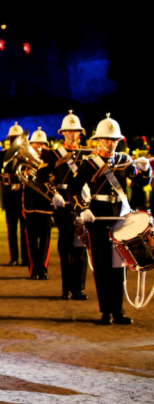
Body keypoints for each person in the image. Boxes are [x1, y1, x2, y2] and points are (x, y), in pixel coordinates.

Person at [67, 114, 152, 325]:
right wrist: (82, 209)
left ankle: (118, 310)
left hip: (120, 221)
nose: (110, 143)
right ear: (98, 140)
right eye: (106, 139)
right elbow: (72, 190)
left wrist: (146, 170)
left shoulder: (124, 161)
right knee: (102, 267)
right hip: (97, 221)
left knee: (118, 268)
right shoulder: (88, 164)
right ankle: (105, 310)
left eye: (114, 139)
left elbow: (140, 182)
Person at [35, 111, 90, 299]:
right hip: (63, 205)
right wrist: (53, 193)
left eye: (75, 131)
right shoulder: (53, 154)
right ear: (63, 132)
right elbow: (40, 178)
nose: (72, 135)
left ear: (80, 133)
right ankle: (66, 288)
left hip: (82, 203)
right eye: (69, 131)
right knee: (66, 246)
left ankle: (79, 288)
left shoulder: (89, 154)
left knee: (80, 247)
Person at [0, 122, 29, 266]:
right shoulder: (2, 155)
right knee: (12, 229)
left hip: (23, 196)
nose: (14, 141)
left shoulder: (25, 154)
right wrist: (6, 178)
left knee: (25, 230)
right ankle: (14, 257)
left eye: (17, 138)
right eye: (12, 138)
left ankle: (25, 258)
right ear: (8, 139)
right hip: (9, 196)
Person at [21, 128, 52, 280]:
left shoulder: (50, 159)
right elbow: (14, 174)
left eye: (42, 144)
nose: (39, 146)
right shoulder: (24, 159)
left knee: (45, 238)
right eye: (35, 144)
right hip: (30, 202)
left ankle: (43, 268)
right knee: (31, 238)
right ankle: (34, 268)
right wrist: (24, 173)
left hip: (45, 202)